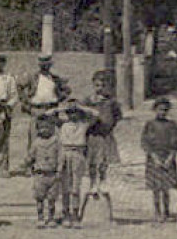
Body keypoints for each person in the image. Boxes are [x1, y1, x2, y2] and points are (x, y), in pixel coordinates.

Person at [140, 97, 177, 222]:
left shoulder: (172, 125)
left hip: (168, 157)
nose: (162, 112)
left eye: (165, 110)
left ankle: (167, 212)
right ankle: (157, 212)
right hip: (154, 158)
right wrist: (154, 157)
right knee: (156, 188)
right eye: (159, 109)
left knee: (166, 188)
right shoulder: (150, 125)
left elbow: (176, 143)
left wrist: (170, 158)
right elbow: (145, 142)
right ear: (154, 110)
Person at [20, 54, 64, 169]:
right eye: (42, 63)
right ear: (39, 64)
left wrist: (59, 99)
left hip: (51, 109)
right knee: (34, 138)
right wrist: (26, 104)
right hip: (37, 109)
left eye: (47, 64)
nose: (45, 66)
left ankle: (50, 165)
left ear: (50, 65)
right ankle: (31, 166)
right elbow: (20, 87)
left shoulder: (54, 78)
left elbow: (65, 90)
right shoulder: (33, 77)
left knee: (52, 138)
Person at [85, 70, 122, 200]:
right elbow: (83, 115)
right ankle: (92, 183)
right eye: (97, 85)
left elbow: (117, 116)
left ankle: (102, 181)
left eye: (103, 86)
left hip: (105, 135)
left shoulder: (111, 102)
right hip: (92, 134)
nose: (100, 89)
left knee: (103, 161)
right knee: (92, 161)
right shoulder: (89, 100)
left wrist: (109, 125)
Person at [56, 98, 93, 228]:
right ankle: (65, 213)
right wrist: (64, 107)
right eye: (70, 112)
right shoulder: (63, 124)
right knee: (65, 185)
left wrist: (81, 107)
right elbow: (48, 114)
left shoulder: (84, 125)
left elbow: (95, 114)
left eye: (75, 112)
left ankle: (75, 214)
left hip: (78, 153)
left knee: (76, 186)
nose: (73, 115)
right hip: (64, 153)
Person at [28, 116, 62, 228]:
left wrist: (59, 170)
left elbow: (60, 157)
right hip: (40, 174)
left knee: (52, 199)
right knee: (39, 198)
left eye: (47, 127)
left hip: (52, 173)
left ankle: (51, 218)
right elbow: (31, 156)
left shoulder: (56, 141)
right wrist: (27, 163)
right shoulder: (36, 142)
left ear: (52, 128)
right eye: (42, 128)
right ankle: (40, 218)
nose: (45, 130)